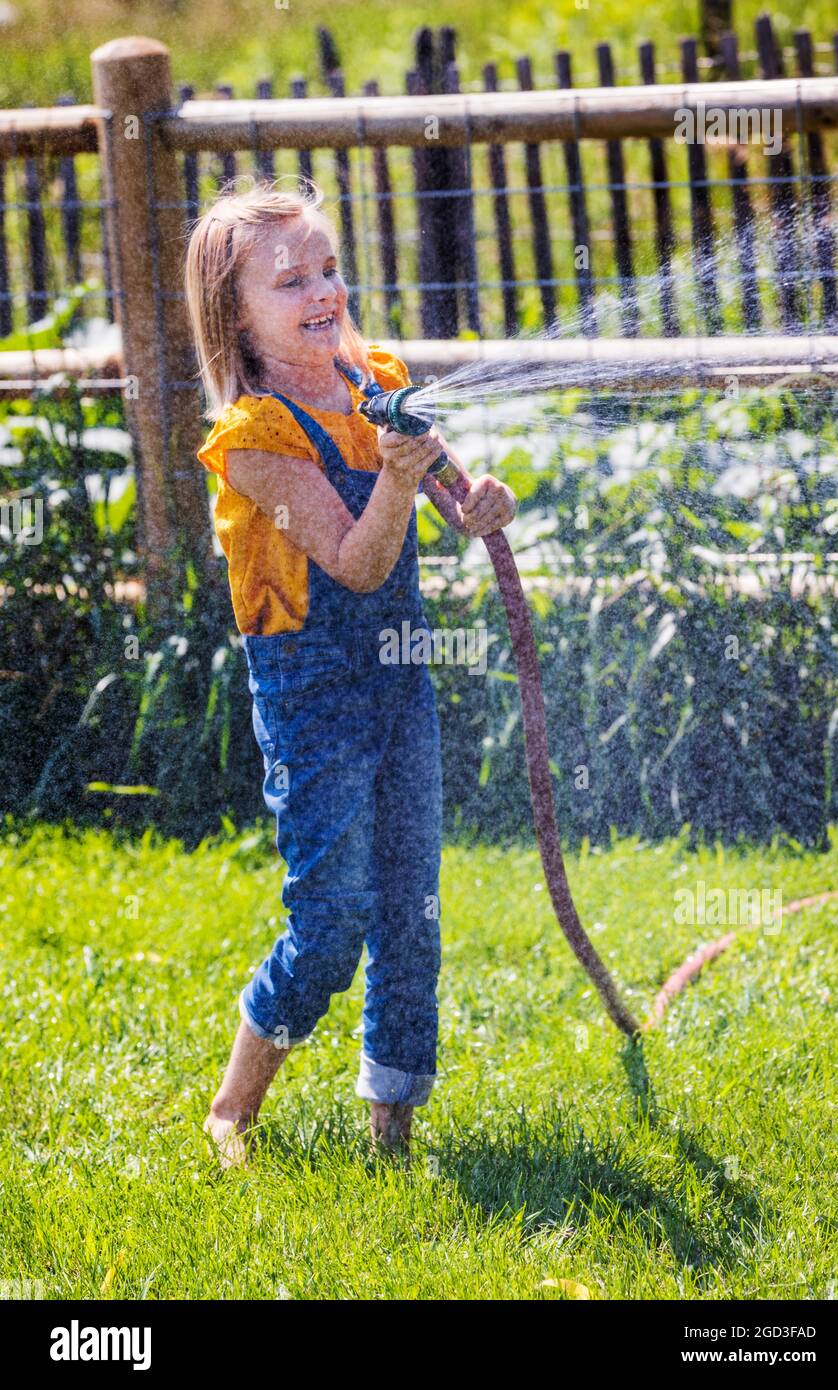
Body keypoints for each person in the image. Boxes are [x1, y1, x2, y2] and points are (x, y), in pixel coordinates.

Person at [184, 177, 516, 1166]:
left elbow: (446, 489)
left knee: (410, 903)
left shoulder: (375, 373)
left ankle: (391, 1133)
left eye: (327, 268)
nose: (321, 290)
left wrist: (472, 503)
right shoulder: (255, 442)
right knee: (331, 919)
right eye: (290, 281)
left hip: (398, 680)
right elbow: (361, 561)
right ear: (235, 320)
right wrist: (401, 483)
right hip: (310, 697)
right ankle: (231, 1107)